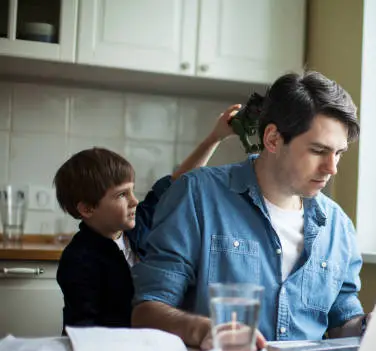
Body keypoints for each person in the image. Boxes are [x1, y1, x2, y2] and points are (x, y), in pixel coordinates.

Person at [131, 71, 368, 350]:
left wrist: (367, 327)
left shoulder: (338, 225)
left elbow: (343, 323)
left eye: (339, 153)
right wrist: (203, 329)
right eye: (318, 150)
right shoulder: (197, 195)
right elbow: (146, 312)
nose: (332, 168)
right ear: (273, 139)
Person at [53, 104, 241, 332]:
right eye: (122, 195)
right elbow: (83, 329)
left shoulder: (138, 223)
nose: (134, 201)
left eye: (132, 190)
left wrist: (215, 137)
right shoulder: (78, 259)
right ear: (87, 209)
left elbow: (178, 181)